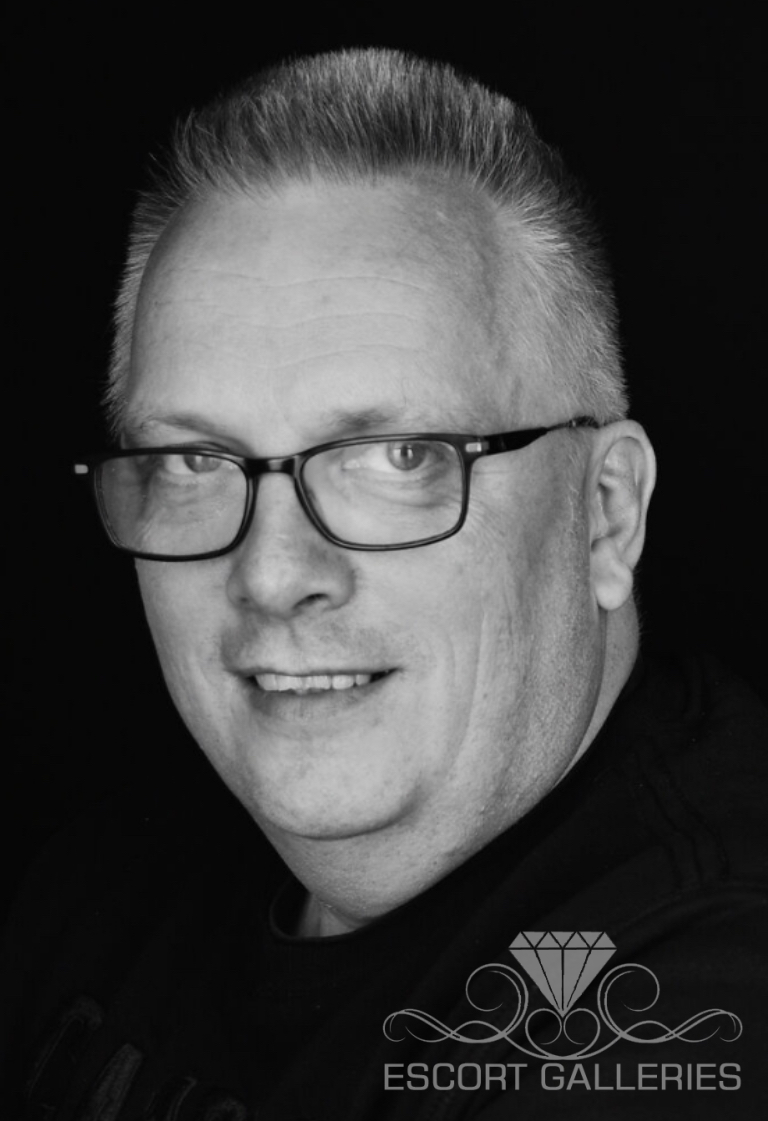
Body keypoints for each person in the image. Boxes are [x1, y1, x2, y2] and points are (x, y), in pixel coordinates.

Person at [2, 48, 766, 1120]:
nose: (273, 575)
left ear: (606, 512)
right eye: (195, 461)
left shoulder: (706, 999)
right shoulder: (102, 878)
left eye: (399, 458)